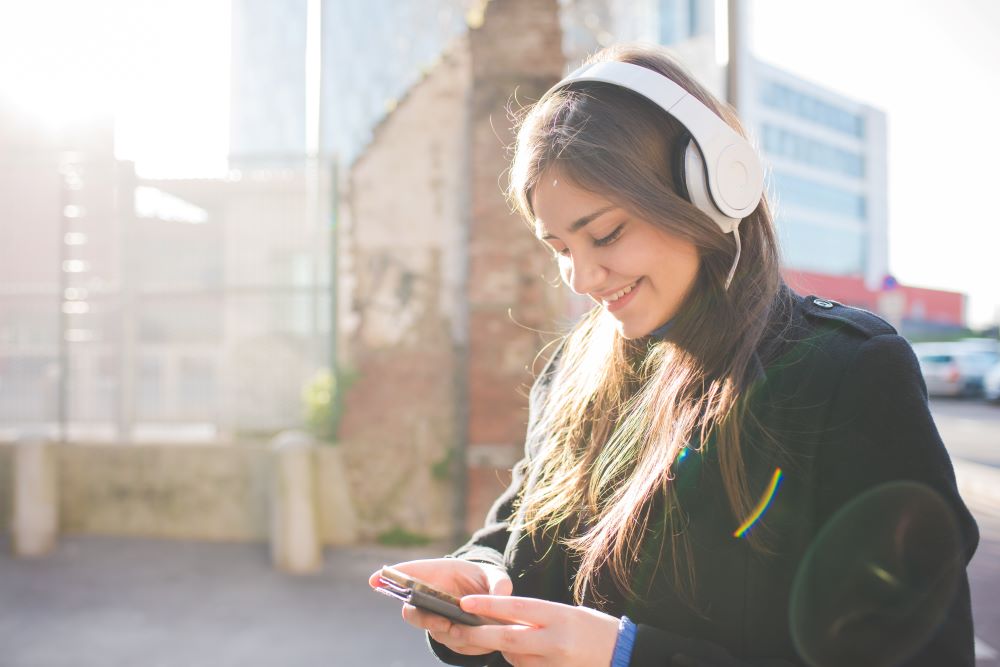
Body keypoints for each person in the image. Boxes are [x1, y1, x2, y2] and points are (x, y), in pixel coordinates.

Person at [368, 43, 979, 667]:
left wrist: (630, 656)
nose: (580, 277)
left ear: (709, 190)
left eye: (605, 234)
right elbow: (515, 531)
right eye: (559, 247)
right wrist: (477, 578)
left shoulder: (846, 374)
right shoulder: (572, 371)